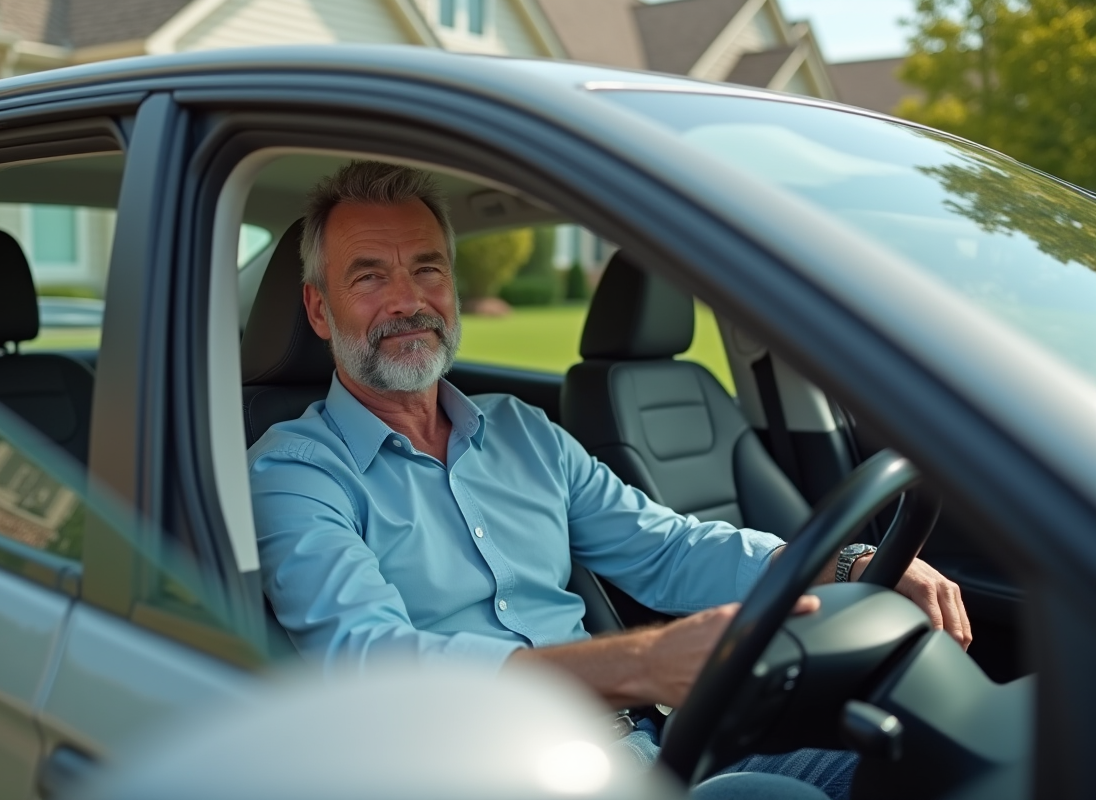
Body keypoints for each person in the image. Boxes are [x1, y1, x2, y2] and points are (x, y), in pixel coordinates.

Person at [248, 162, 972, 799]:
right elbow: (377, 664)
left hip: (648, 745)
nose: (408, 299)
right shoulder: (295, 471)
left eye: (428, 268)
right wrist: (639, 661)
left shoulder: (522, 431)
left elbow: (669, 550)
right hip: (490, 770)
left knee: (932, 754)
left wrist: (849, 564)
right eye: (370, 275)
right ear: (319, 308)